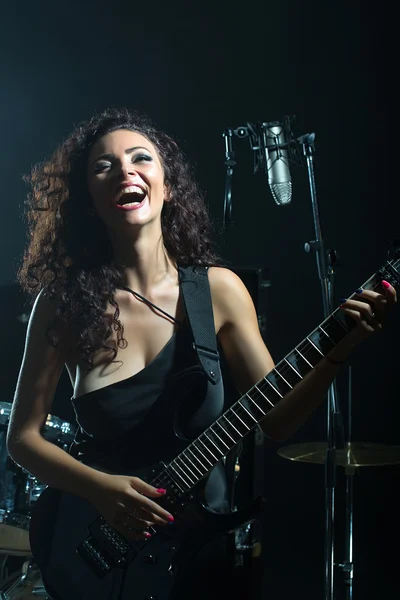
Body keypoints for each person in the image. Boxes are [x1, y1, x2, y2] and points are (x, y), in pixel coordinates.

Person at [6, 107, 397, 600]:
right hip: (92, 548)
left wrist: (339, 350)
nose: (125, 170)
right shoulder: (62, 301)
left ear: (167, 186)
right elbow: (21, 439)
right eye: (104, 166)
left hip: (197, 559)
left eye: (140, 158)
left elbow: (277, 422)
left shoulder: (219, 291)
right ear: (88, 201)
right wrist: (100, 490)